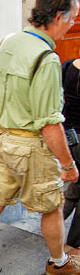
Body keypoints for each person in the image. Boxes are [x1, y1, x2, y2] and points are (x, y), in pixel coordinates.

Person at [0, 0, 80, 275]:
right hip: (29, 146)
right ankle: (58, 263)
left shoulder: (10, 41)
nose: (72, 25)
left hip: (0, 137)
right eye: (72, 17)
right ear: (58, 17)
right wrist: (68, 166)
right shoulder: (47, 59)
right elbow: (50, 124)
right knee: (52, 206)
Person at [61, 58, 80, 249]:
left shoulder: (68, 66)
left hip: (68, 136)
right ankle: (74, 244)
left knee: (76, 187)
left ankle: (53, 226)